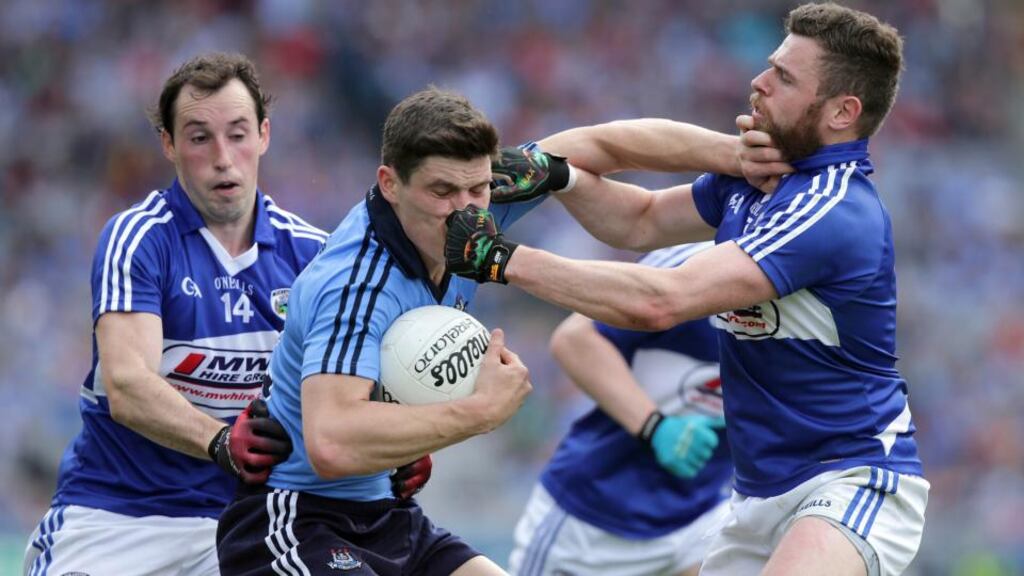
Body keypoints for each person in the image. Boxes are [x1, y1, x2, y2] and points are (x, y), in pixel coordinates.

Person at [446, 4, 928, 576]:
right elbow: (641, 220)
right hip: (755, 496)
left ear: (843, 112)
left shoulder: (832, 210)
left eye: (786, 78)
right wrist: (563, 176)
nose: (759, 81)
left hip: (850, 478)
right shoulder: (760, 182)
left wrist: (502, 260)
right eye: (770, 65)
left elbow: (659, 301)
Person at [21, 52, 329, 576]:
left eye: (237, 134)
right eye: (198, 137)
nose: (223, 158)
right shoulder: (137, 239)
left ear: (265, 136)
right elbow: (128, 384)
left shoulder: (314, 256)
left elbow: (342, 392)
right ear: (168, 144)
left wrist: (397, 451)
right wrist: (219, 441)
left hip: (251, 523)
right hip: (116, 519)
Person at [215, 87, 540, 576]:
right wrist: (479, 411)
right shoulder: (356, 281)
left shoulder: (472, 211)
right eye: (442, 192)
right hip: (298, 518)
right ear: (390, 184)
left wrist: (700, 174)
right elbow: (332, 443)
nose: (467, 212)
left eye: (478, 191)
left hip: (390, 515)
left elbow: (591, 151)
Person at [508, 242, 733, 576]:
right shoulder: (691, 270)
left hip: (701, 519)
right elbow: (574, 340)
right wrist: (655, 426)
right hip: (592, 521)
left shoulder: (819, 299)